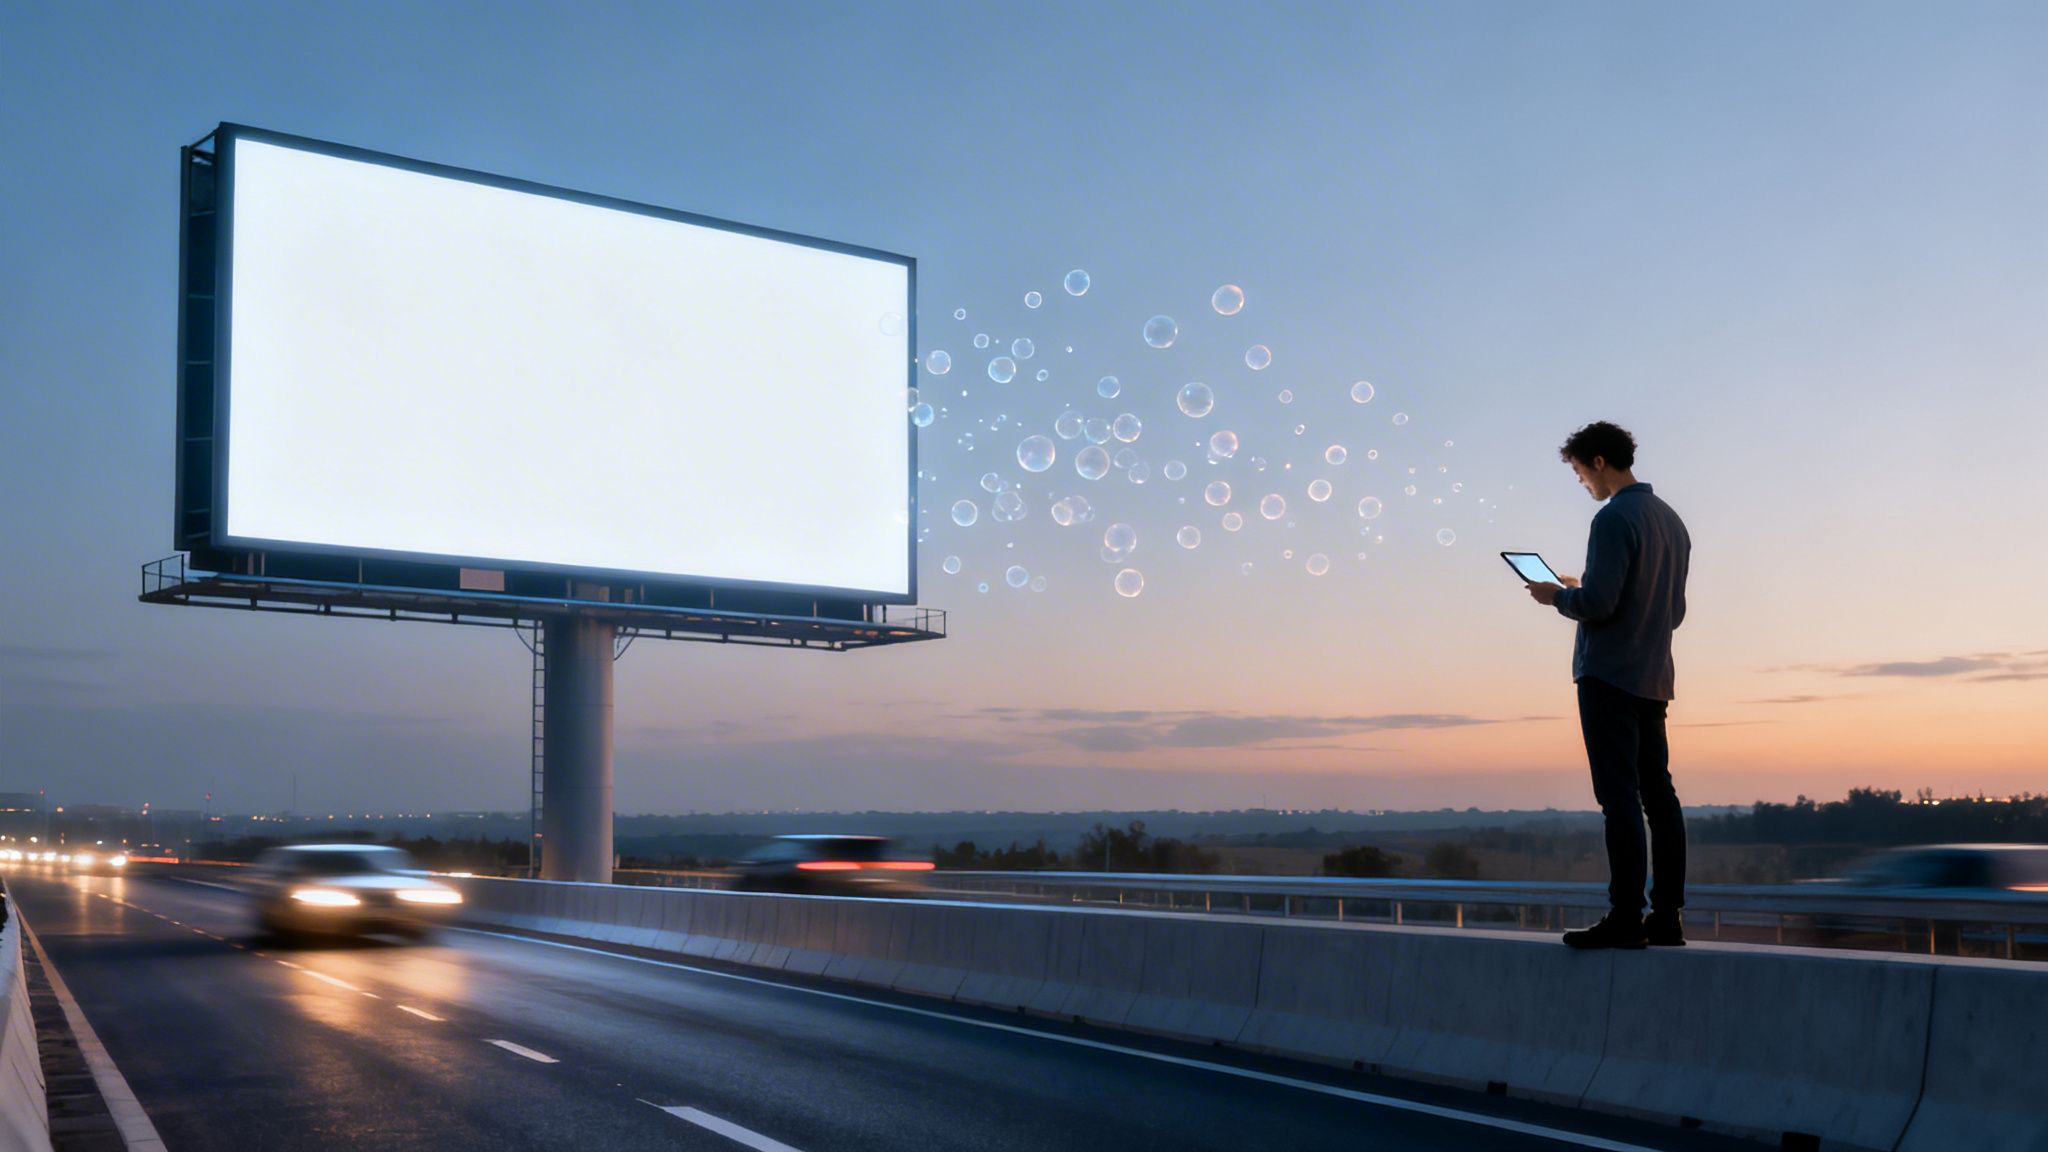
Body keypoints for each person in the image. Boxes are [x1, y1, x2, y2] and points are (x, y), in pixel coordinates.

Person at [1525, 421, 1691, 949]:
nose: (1582, 484)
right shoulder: (1672, 522)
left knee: (1617, 798)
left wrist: (1557, 596)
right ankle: (1666, 917)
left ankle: (1625, 916)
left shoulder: (1613, 517)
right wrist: (1586, 587)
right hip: (1653, 676)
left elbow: (1599, 606)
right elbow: (1675, 612)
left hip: (1608, 675)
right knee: (1659, 799)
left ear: (1598, 461)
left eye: (1578, 472)